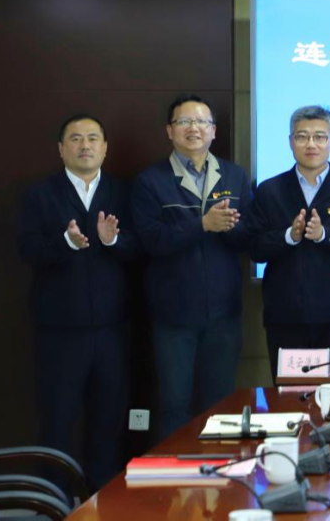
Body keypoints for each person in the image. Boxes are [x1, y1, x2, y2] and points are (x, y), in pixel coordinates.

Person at [17, 114, 137, 490]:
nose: (85, 145)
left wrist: (113, 240)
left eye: (93, 138)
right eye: (76, 138)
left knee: (108, 421)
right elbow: (27, 250)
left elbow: (140, 248)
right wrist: (66, 243)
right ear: (61, 148)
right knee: (57, 421)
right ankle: (53, 502)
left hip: (112, 329)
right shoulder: (39, 194)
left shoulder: (122, 193)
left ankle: (103, 501)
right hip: (59, 330)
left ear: (105, 148)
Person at [132, 95, 252, 439]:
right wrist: (202, 224)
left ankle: (220, 473)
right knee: (174, 405)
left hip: (224, 314)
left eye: (201, 121)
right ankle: (175, 474)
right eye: (184, 121)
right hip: (173, 316)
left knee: (220, 404)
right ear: (169, 131)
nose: (193, 128)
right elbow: (150, 241)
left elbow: (250, 238)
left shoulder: (235, 175)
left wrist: (228, 227)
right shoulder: (150, 180)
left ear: (214, 130)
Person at [246, 106, 330, 379]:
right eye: (302, 136)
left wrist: (325, 235)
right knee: (290, 393)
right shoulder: (269, 190)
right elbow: (254, 247)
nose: (311, 144)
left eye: (320, 137)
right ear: (290, 142)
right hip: (284, 314)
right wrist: (288, 237)